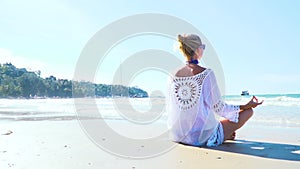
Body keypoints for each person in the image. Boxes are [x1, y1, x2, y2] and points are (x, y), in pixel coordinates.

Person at [167, 34, 263, 147]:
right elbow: (218, 107)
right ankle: (224, 134)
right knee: (248, 112)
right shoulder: (206, 74)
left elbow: (172, 107)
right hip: (201, 137)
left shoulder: (172, 75)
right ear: (198, 49)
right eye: (202, 46)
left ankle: (226, 133)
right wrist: (245, 106)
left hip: (179, 134)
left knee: (225, 118)